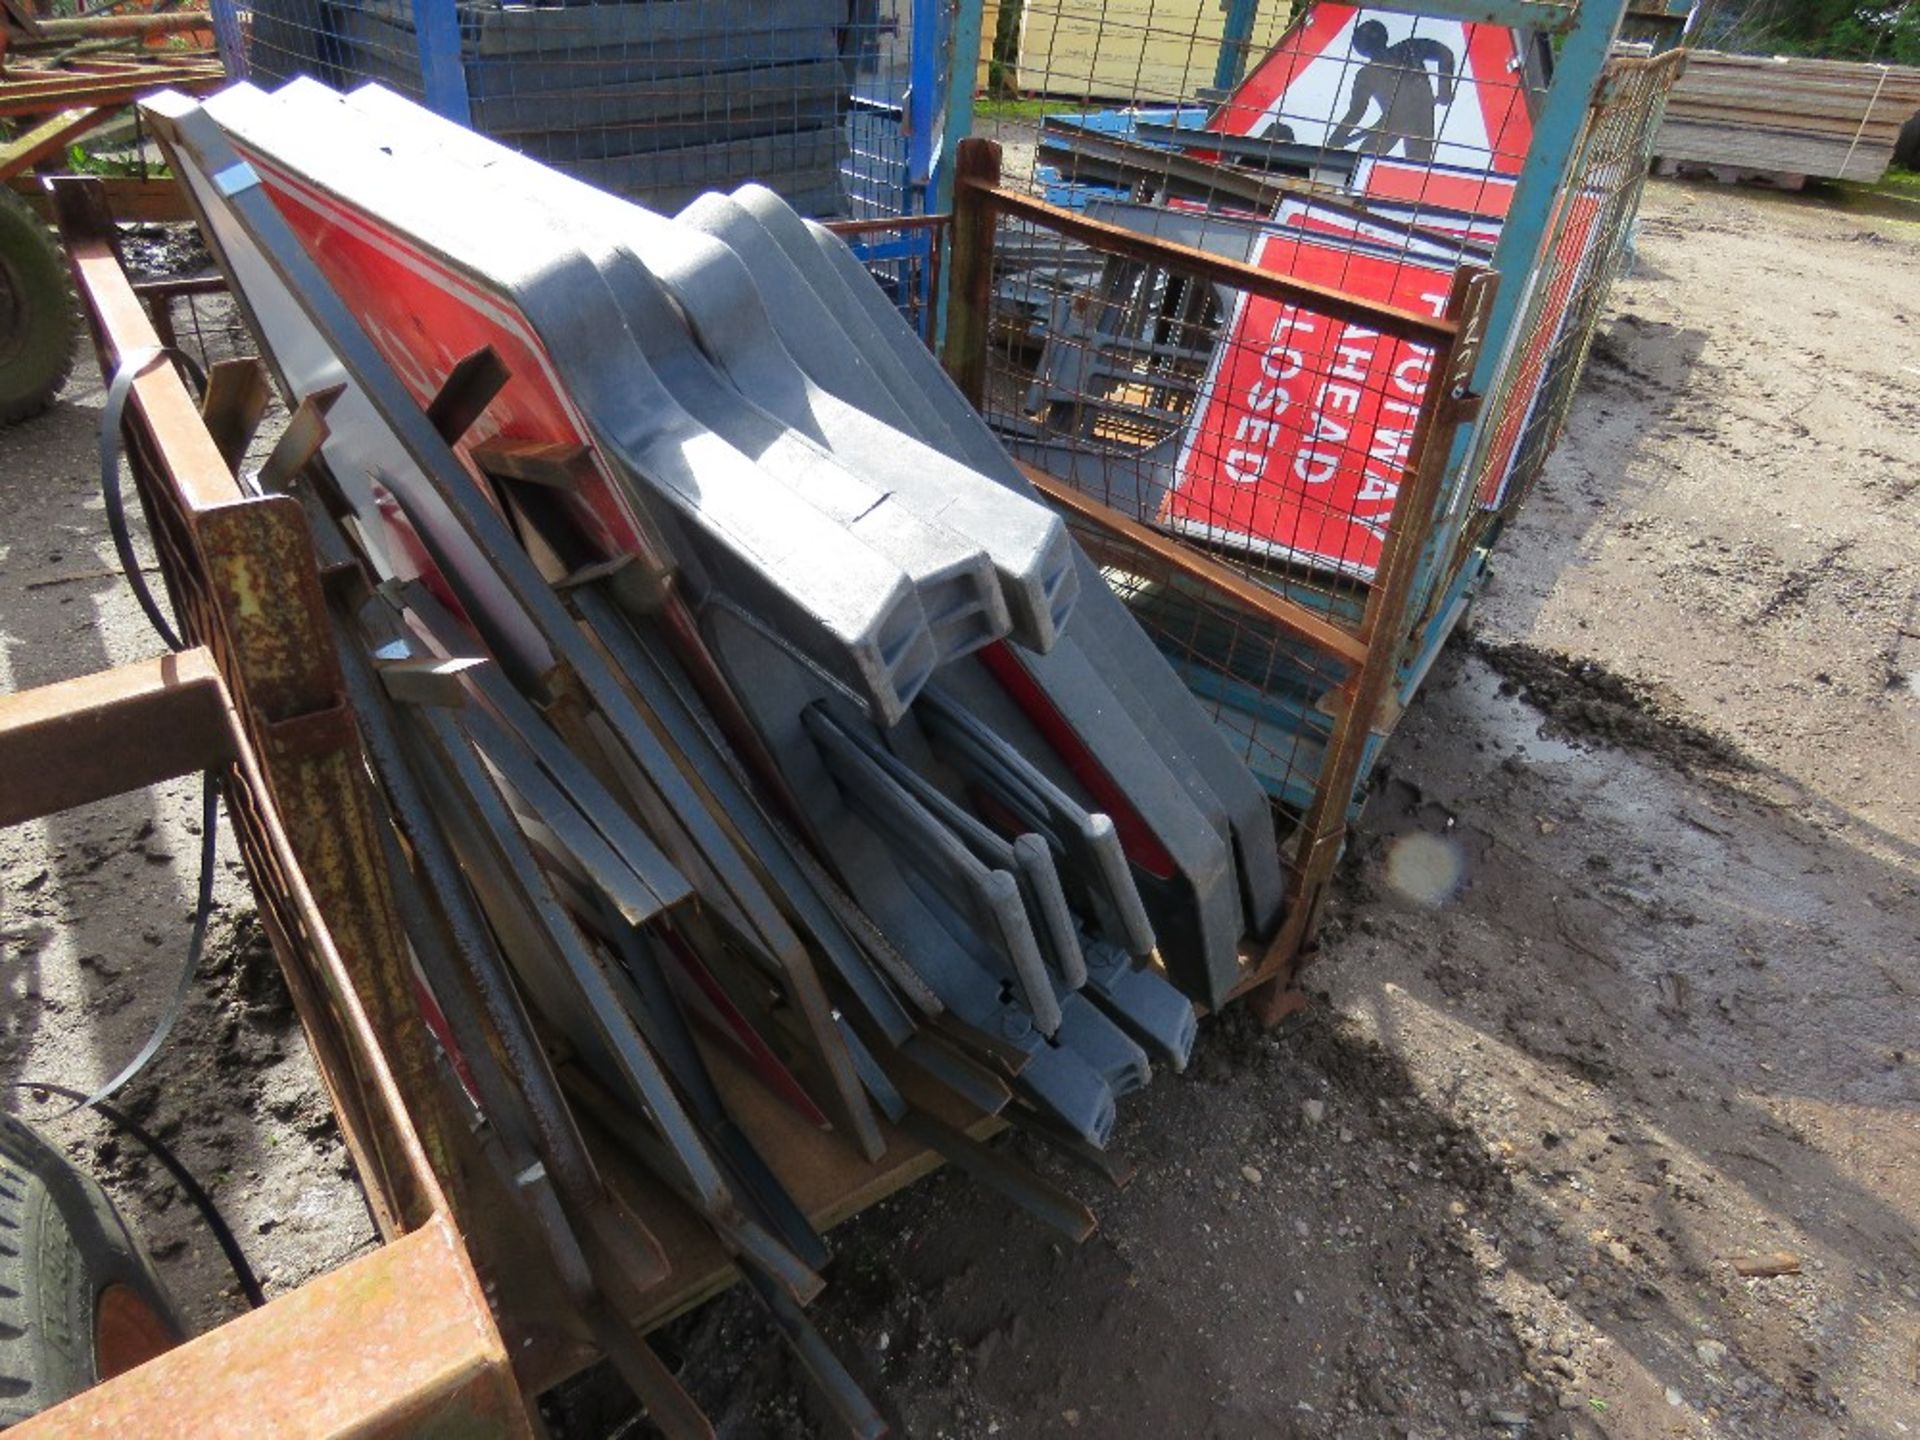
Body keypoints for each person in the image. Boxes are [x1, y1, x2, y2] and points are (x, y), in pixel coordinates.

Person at [1327, 19, 1457, 162]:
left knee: (1414, 165)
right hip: (1393, 122)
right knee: (1365, 161)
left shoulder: (1408, 48)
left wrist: (1444, 87)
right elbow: (1356, 112)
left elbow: (1445, 54)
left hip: (1413, 119)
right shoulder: (1368, 73)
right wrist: (1337, 137)